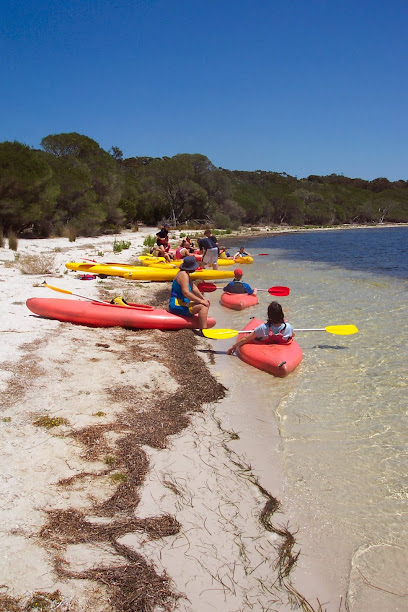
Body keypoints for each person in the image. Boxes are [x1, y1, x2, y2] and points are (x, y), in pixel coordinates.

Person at [227, 301, 294, 355]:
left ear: (269, 314)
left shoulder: (264, 328)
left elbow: (246, 338)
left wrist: (234, 346)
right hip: (281, 349)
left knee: (257, 337)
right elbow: (292, 335)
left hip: (268, 348)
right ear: (281, 314)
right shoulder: (288, 326)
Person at [169, 255, 211, 330]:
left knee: (204, 303)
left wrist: (203, 298)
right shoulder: (183, 275)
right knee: (203, 306)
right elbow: (186, 293)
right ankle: (204, 330)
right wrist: (201, 301)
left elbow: (193, 288)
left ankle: (202, 323)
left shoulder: (186, 274)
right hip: (176, 304)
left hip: (183, 302)